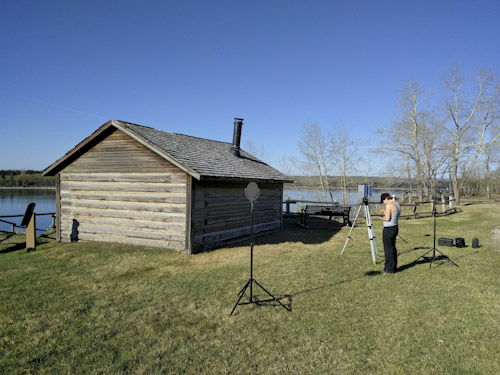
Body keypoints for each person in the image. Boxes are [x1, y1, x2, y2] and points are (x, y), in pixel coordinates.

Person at [379, 193, 401, 273]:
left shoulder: (389, 205)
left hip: (388, 229)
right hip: (395, 227)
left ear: (385, 199)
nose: (384, 203)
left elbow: (387, 218)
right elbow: (393, 213)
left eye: (383, 201)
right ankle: (394, 266)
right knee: (392, 248)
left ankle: (389, 269)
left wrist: (380, 218)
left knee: (388, 249)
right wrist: (385, 211)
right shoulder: (396, 204)